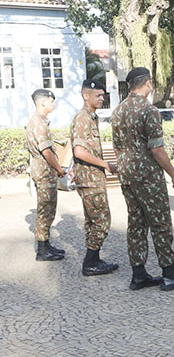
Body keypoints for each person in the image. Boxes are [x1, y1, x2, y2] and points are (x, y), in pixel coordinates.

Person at [112, 67, 174, 291]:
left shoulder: (118, 111)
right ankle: (169, 274)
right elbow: (157, 149)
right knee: (160, 224)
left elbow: (118, 146)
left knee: (136, 224)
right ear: (148, 83)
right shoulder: (149, 110)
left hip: (127, 176)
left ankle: (138, 275)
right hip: (147, 176)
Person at [69, 79, 119, 276]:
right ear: (85, 95)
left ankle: (94, 260)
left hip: (91, 178)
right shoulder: (83, 119)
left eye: (103, 95)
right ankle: (90, 262)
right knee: (102, 220)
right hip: (90, 180)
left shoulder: (91, 118)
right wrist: (106, 164)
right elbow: (80, 151)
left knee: (92, 221)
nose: (101, 99)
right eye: (98, 95)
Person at [25, 89, 66, 261]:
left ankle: (46, 245)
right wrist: (59, 168)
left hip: (43, 171)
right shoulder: (38, 124)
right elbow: (47, 151)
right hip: (44, 172)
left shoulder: (39, 121)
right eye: (51, 101)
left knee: (48, 209)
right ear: (42, 102)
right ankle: (42, 250)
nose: (54, 104)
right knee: (45, 210)